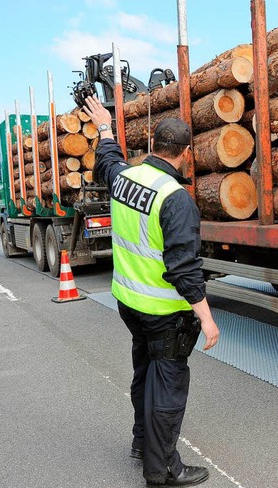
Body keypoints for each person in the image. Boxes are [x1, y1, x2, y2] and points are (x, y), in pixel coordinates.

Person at [83, 96, 219, 487]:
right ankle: (161, 471)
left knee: (144, 374)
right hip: (162, 312)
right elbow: (184, 270)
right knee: (168, 389)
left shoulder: (127, 177)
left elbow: (107, 161)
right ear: (186, 153)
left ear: (153, 145)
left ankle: (142, 443)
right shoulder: (175, 199)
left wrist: (106, 127)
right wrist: (206, 319)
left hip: (127, 302)